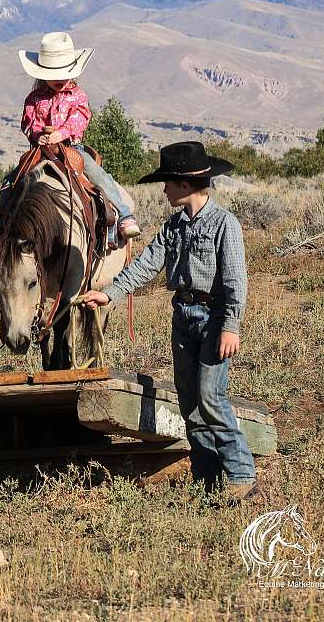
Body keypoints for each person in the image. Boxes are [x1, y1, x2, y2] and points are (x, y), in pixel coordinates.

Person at [83, 141, 257, 502]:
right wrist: (110, 293)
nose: (164, 189)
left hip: (214, 319)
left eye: (168, 182)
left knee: (211, 396)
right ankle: (207, 478)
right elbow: (147, 264)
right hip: (184, 318)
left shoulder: (226, 224)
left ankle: (242, 473)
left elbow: (236, 280)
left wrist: (231, 326)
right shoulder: (173, 226)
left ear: (185, 184)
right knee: (190, 402)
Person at [17, 31, 140, 240]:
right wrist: (37, 134)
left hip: (71, 148)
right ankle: (0, 226)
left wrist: (61, 133)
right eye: (53, 74)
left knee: (97, 175)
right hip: (39, 150)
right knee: (13, 181)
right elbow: (29, 121)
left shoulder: (77, 95)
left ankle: (124, 215)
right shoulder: (34, 98)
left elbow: (79, 119)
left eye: (63, 73)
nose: (59, 79)